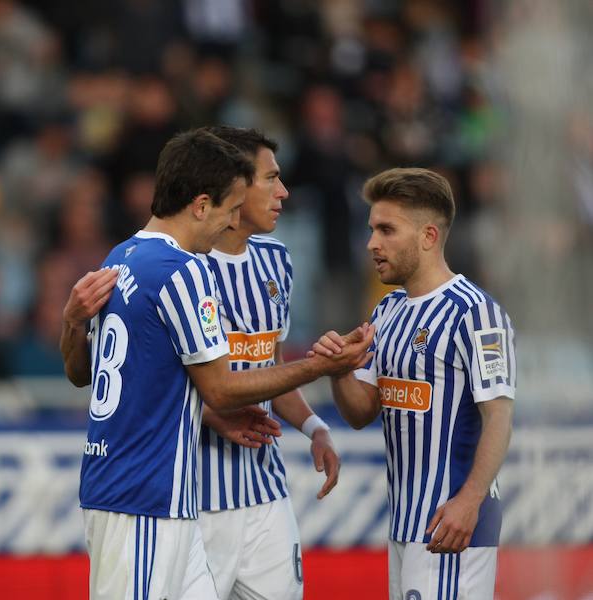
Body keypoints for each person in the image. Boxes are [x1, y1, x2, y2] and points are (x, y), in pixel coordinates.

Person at [61, 128, 374, 600]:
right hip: (143, 495)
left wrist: (71, 322)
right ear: (202, 205)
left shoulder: (121, 256)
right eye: (230, 209)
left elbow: (83, 374)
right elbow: (222, 390)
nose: (231, 221)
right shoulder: (181, 270)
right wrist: (321, 366)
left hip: (158, 494)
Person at [310, 168, 515, 599]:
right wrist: (338, 368)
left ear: (428, 236)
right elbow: (362, 411)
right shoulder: (388, 310)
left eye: (386, 230)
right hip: (406, 524)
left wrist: (469, 501)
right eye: (371, 229)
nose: (371, 244)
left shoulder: (476, 313)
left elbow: (498, 415)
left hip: (454, 525)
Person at [197, 126, 339, 600]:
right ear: (234, 187)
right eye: (271, 179)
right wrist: (208, 412)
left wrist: (314, 426)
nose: (283, 192)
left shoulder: (277, 260)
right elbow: (147, 380)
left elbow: (271, 367)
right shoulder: (180, 267)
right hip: (194, 501)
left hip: (265, 493)